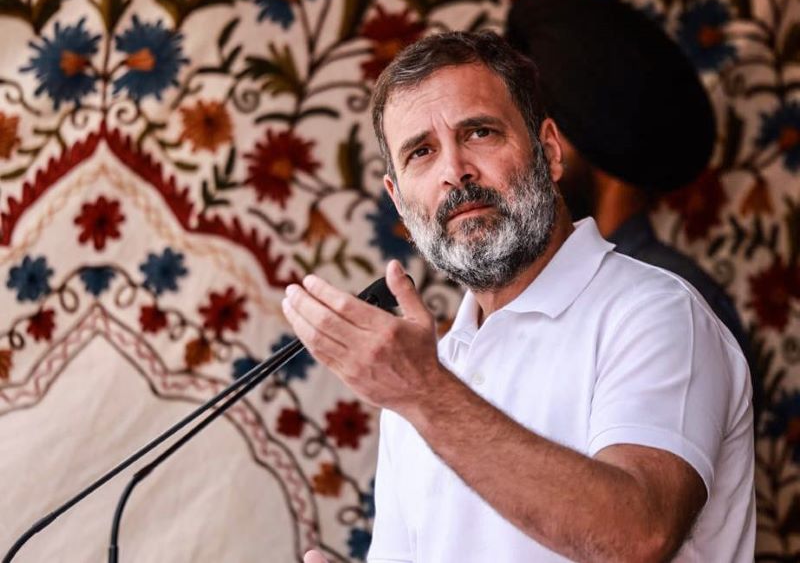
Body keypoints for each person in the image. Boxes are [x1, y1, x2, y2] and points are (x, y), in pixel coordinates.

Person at [282, 31, 754, 562]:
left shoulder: (657, 313)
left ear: (548, 151)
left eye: (479, 132)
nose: (454, 171)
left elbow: (639, 538)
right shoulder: (426, 373)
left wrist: (426, 394)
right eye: (421, 152)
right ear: (399, 203)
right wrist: (422, 391)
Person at [505, 0, 762, 424]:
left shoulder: (669, 299)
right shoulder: (549, 292)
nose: (529, 159)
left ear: (592, 141)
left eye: (545, 138)